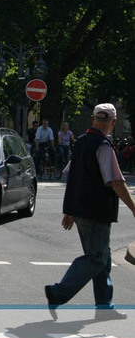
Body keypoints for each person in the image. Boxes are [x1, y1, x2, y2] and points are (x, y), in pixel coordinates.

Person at [44, 103, 135, 321]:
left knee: (103, 258)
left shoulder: (82, 142)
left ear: (93, 119)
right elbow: (115, 181)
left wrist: (70, 210)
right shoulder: (103, 145)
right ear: (112, 123)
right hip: (97, 211)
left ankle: (104, 307)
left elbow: (72, 176)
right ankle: (60, 291)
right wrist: (133, 207)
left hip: (83, 210)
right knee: (96, 258)